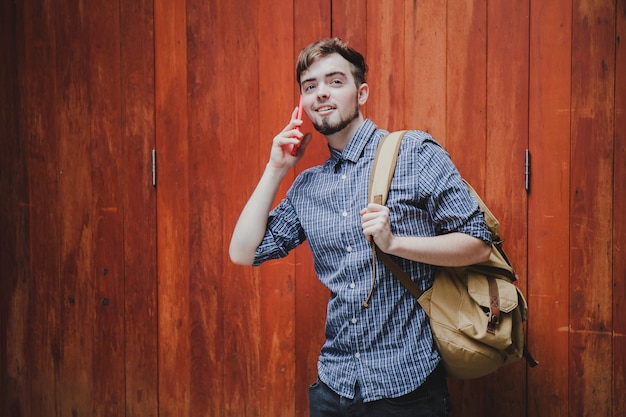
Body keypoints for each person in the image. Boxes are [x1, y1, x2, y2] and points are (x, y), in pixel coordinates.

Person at [229, 38, 492, 417]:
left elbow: (477, 242)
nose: (321, 93)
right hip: (333, 389)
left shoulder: (413, 152)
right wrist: (276, 169)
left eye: (335, 81)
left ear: (361, 92)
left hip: (407, 387)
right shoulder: (307, 186)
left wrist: (396, 243)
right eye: (310, 86)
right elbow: (243, 253)